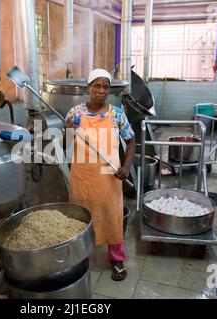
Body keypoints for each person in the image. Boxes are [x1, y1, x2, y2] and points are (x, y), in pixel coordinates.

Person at [65, 68, 136, 281]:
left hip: (109, 177)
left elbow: (131, 141)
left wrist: (127, 166)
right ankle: (77, 257)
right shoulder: (75, 114)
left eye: (105, 86)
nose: (101, 91)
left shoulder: (117, 114)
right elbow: (64, 146)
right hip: (82, 177)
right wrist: (67, 132)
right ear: (89, 88)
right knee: (79, 218)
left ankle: (116, 259)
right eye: (97, 86)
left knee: (112, 217)